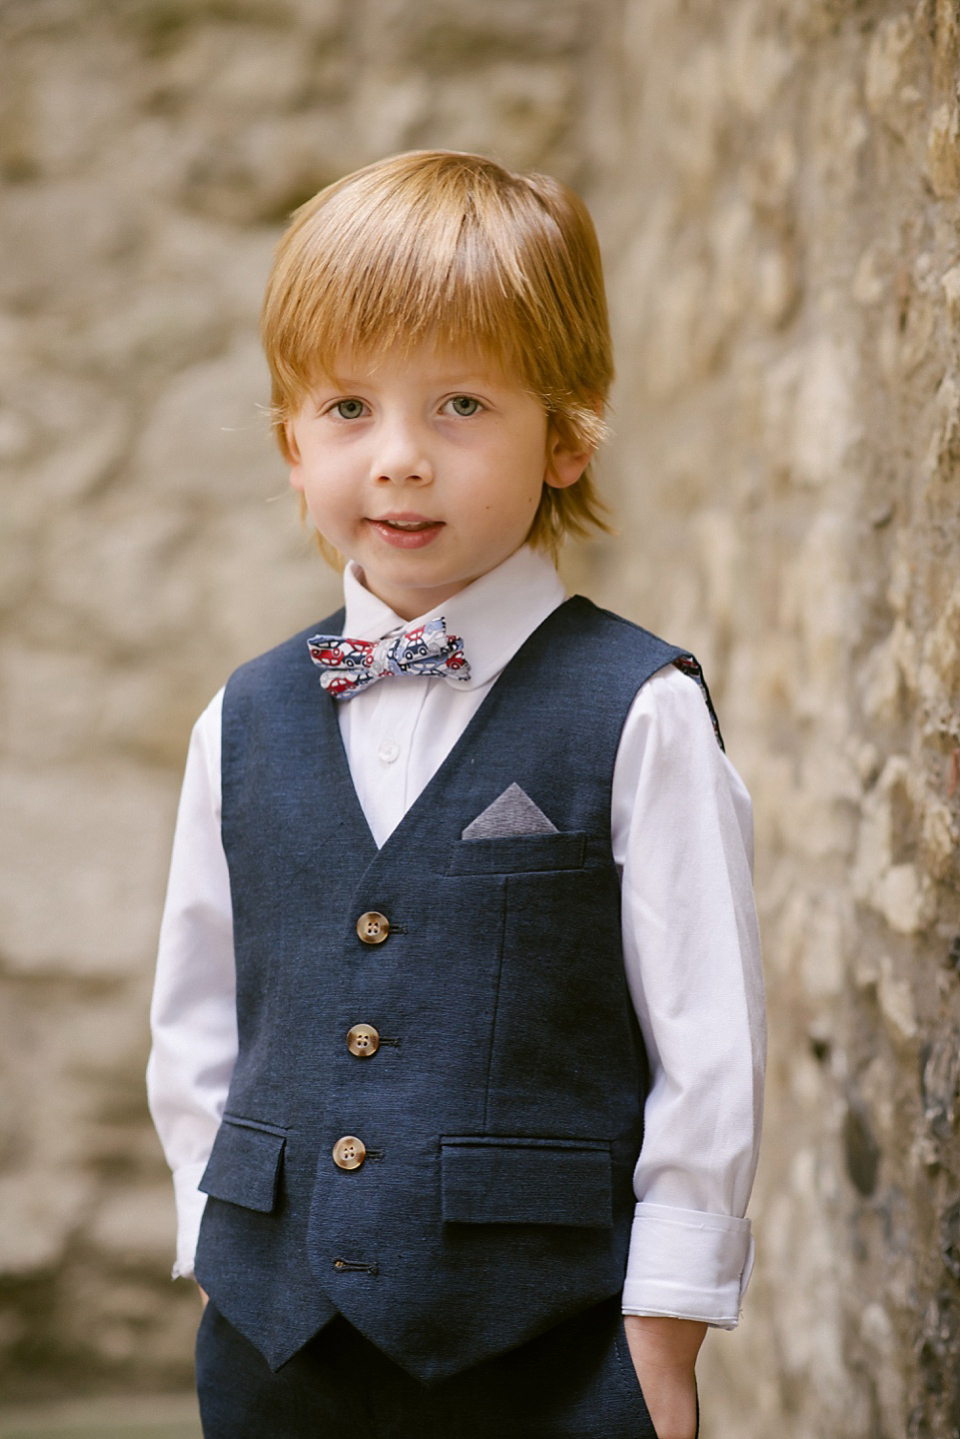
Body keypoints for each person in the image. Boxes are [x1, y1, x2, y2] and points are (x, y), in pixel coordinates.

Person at [147, 149, 765, 1439]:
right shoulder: (244, 717)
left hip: (547, 1346)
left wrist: (665, 1332)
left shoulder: (637, 709)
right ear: (290, 440)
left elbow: (707, 1044)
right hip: (275, 1345)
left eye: (464, 406)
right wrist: (217, 1242)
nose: (401, 461)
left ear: (569, 433)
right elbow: (200, 1013)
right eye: (349, 410)